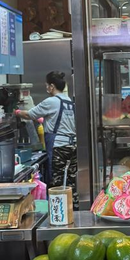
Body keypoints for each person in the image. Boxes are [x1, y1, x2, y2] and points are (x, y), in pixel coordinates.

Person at [16, 71, 78, 206]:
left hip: (59, 148)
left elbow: (30, 115)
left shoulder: (51, 101)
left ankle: (59, 212)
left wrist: (17, 112)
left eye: (47, 86)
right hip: (72, 146)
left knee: (57, 183)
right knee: (71, 183)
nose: (46, 88)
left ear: (51, 86)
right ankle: (73, 209)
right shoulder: (69, 102)